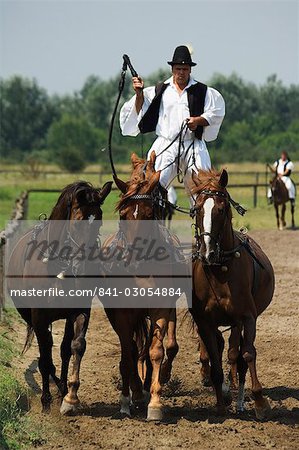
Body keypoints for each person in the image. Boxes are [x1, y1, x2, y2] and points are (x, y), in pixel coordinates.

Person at [120, 45, 225, 193]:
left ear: (190, 70)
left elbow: (216, 112)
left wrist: (198, 120)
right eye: (178, 69)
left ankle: (204, 215)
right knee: (151, 187)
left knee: (205, 188)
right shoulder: (160, 90)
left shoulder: (203, 91)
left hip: (193, 144)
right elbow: (140, 111)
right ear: (172, 69)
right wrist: (139, 94)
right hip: (166, 144)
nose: (181, 72)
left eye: (185, 69)